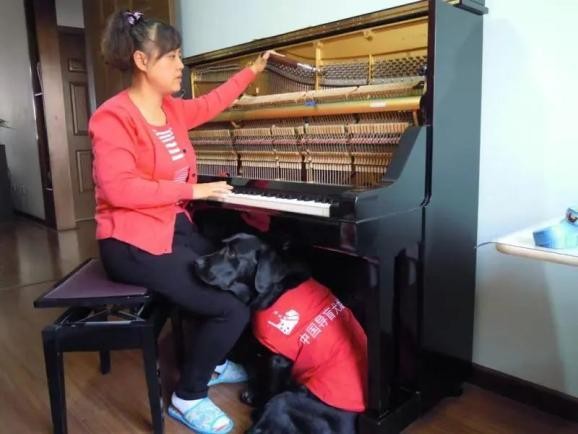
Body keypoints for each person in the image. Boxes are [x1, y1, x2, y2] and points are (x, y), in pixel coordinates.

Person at [88, 9, 271, 434]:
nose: (181, 65)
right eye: (171, 56)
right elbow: (120, 190)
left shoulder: (169, 110)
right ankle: (187, 396)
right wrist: (195, 191)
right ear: (142, 61)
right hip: (130, 242)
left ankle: (213, 361)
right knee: (228, 306)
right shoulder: (113, 117)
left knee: (238, 275)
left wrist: (251, 71)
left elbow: (210, 103)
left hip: (172, 227)